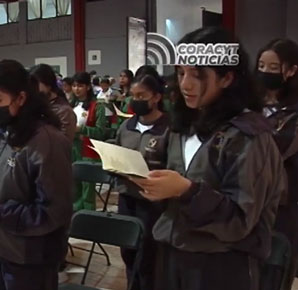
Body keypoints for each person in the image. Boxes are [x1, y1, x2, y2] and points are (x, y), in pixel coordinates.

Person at [132, 27, 286, 290]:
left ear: (226, 78)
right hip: (172, 253)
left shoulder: (249, 136)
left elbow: (240, 220)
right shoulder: (183, 126)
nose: (185, 84)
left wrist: (186, 191)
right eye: (181, 73)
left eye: (197, 75)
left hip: (220, 265)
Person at [0, 59, 73, 290]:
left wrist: (0, 213)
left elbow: (54, 211)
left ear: (21, 98)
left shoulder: (46, 141)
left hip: (29, 257)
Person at [114, 68, 169, 290]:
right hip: (127, 197)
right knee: (128, 252)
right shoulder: (126, 126)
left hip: (153, 203)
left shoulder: (168, 128)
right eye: (133, 97)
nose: (136, 101)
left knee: (148, 258)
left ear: (156, 97)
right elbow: (117, 152)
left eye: (141, 97)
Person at [256, 38, 298, 290]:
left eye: (273, 68)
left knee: (274, 272)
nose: (264, 73)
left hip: (284, 202)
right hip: (249, 199)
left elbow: (277, 149)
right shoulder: (251, 105)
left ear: (292, 70)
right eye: (261, 65)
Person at [72, 72, 107, 211]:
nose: (76, 89)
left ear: (87, 87)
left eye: (80, 86)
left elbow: (100, 132)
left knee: (87, 189)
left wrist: (81, 129)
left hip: (88, 150)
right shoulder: (70, 105)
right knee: (73, 186)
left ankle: (87, 218)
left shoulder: (97, 106)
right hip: (72, 149)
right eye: (74, 86)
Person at [31, 64, 77, 141]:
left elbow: (63, 143)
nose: (33, 90)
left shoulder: (64, 111)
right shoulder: (37, 106)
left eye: (36, 85)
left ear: (48, 85)